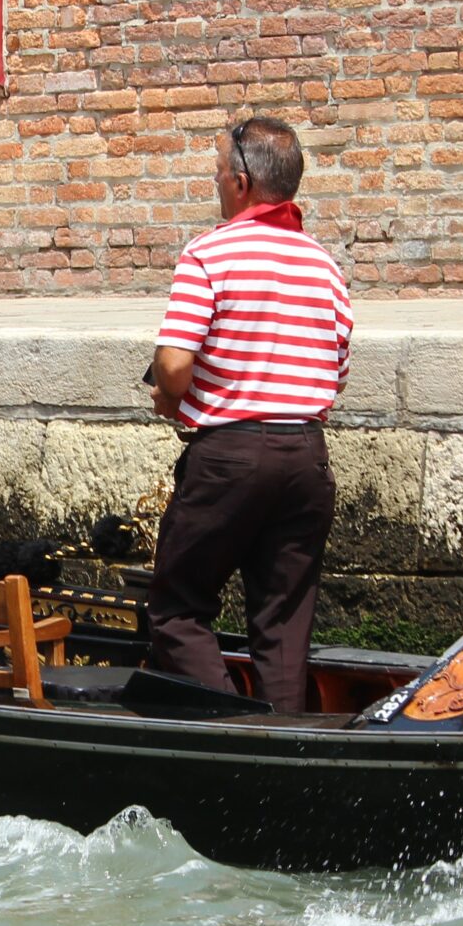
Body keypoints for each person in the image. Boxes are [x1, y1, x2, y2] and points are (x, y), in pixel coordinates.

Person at [145, 117, 353, 712]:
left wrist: (169, 397)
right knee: (283, 628)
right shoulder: (324, 265)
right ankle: (278, 752)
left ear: (239, 183)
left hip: (230, 458)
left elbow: (175, 364)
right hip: (306, 458)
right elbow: (334, 374)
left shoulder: (209, 252)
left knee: (178, 608)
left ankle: (231, 729)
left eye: (217, 175)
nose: (216, 185)